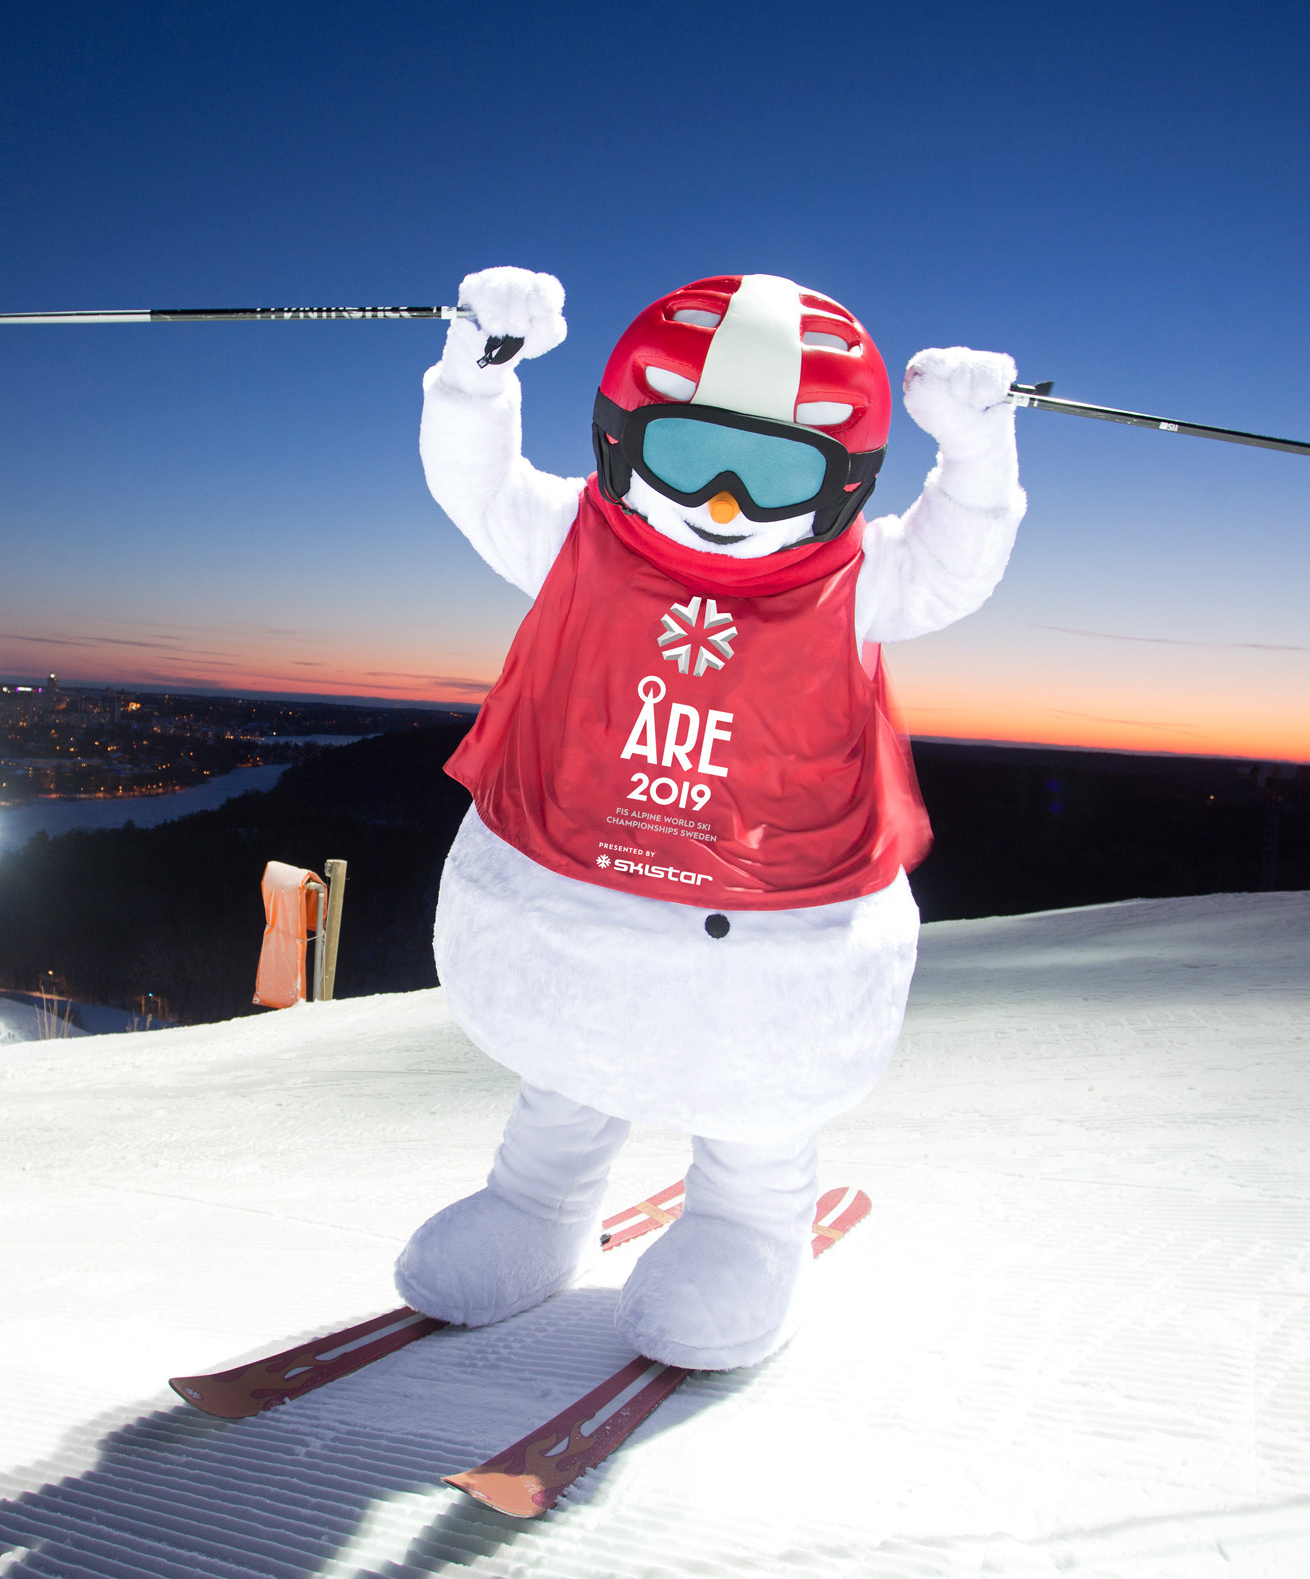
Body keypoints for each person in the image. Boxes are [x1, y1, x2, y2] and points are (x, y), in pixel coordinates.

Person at [400, 268, 1025, 1369]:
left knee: (755, 1098)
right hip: (579, 888)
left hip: (772, 921)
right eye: (687, 455)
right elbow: (478, 485)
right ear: (624, 437)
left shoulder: (857, 578)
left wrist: (976, 451)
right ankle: (536, 1205)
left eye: (779, 471)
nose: (727, 503)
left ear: (842, 478)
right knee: (568, 1066)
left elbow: (952, 565)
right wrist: (476, 376)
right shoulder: (579, 536)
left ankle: (748, 1225)